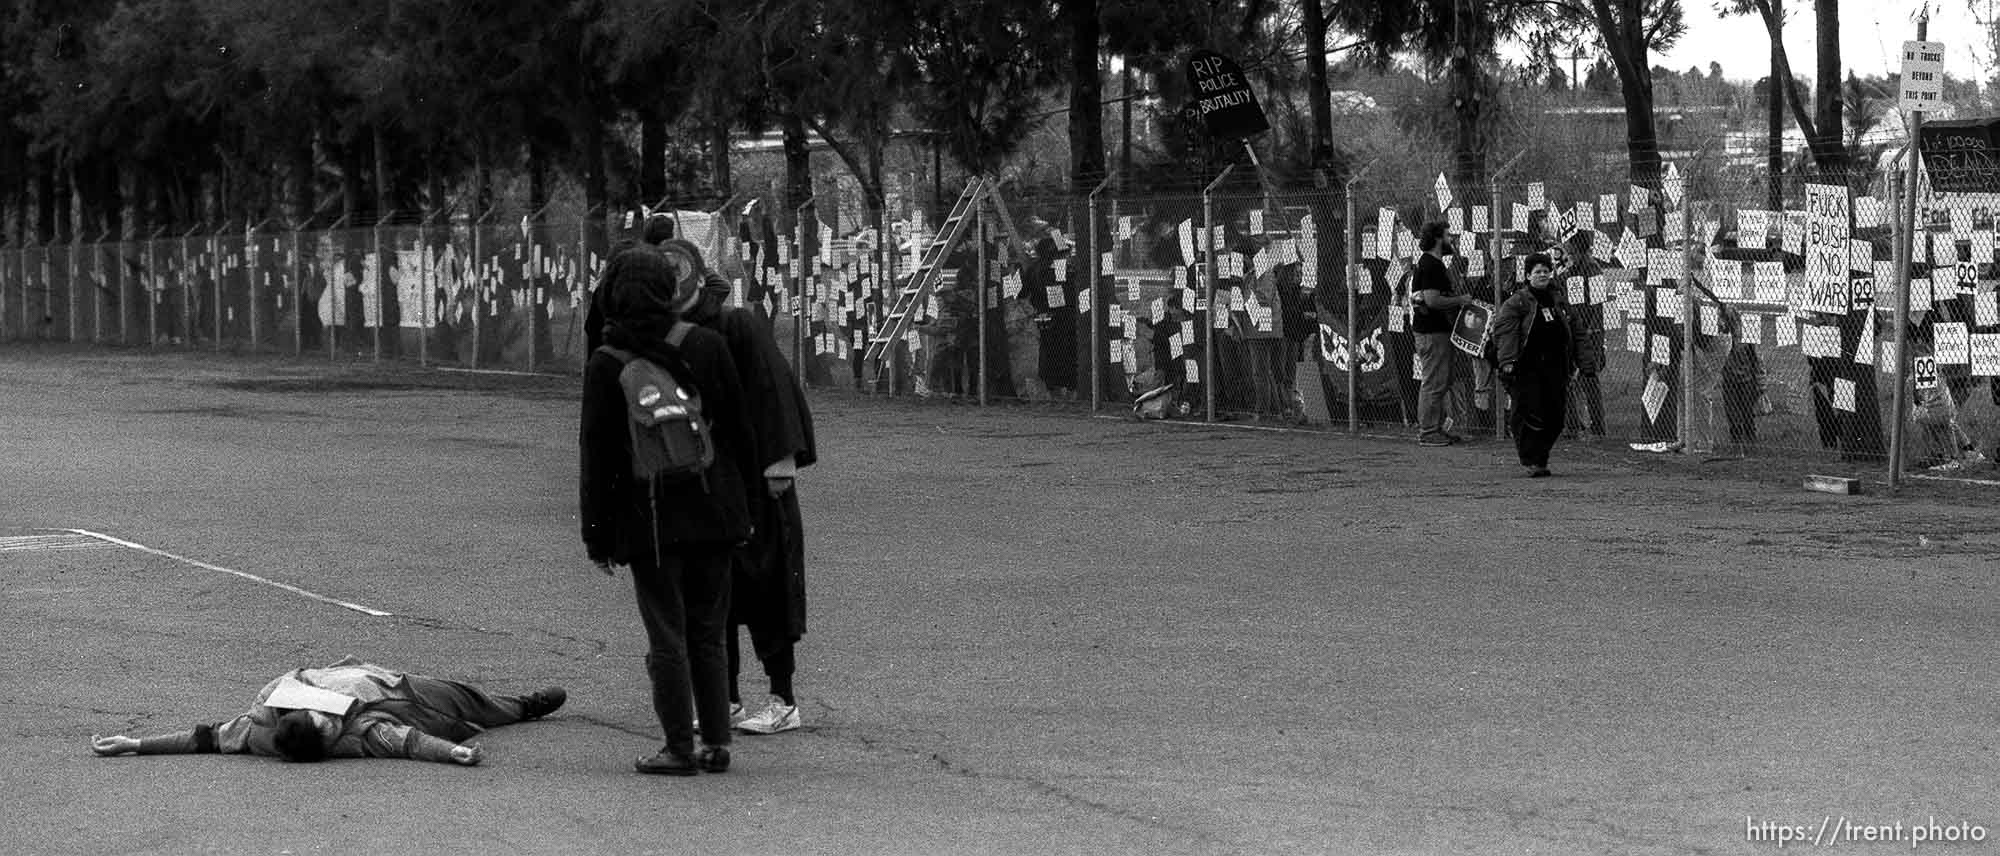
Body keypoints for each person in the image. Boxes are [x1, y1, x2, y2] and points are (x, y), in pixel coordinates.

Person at [581, 242, 761, 776]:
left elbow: (597, 456)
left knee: (667, 636)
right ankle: (717, 743)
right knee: (709, 630)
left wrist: (598, 535)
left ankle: (678, 747)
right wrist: (745, 509)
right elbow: (740, 432)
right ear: (669, 288)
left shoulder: (607, 361)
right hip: (715, 510)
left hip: (649, 520)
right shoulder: (705, 343)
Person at [674, 240, 818, 736]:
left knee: (769, 586)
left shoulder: (736, 324)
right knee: (717, 590)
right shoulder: (677, 332)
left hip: (759, 479)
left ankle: (783, 699)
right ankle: (726, 697)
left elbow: (774, 385)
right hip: (714, 480)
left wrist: (781, 460)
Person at [88, 657, 565, 765]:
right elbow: (409, 742)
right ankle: (525, 706)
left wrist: (136, 744)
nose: (320, 713)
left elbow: (202, 737)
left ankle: (516, 705)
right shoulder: (361, 734)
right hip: (414, 699)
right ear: (326, 735)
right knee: (473, 700)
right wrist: (455, 752)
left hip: (360, 670)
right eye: (322, 720)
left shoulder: (258, 729)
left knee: (466, 695)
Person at [1491, 252, 1593, 477]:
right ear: (1528, 275)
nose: (1543, 275)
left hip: (1556, 367)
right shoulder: (1518, 301)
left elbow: (1577, 330)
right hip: (1527, 367)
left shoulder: (1559, 300)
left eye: (1546, 271)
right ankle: (1532, 460)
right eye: (1537, 271)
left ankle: (1540, 455)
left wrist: (1585, 361)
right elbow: (1505, 331)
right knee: (1528, 412)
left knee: (1556, 416)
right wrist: (1507, 362)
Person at [1411, 221, 1474, 446]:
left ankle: (1435, 428)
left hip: (1437, 331)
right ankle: (1428, 431)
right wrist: (1460, 300)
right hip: (1432, 332)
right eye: (1448, 235)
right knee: (1434, 381)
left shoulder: (1432, 264)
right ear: (1438, 238)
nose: (1451, 240)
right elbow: (1432, 300)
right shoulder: (1431, 265)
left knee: (1442, 379)